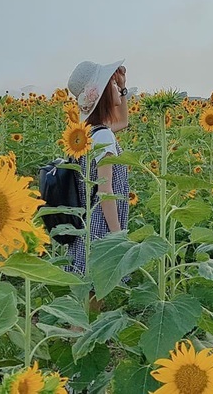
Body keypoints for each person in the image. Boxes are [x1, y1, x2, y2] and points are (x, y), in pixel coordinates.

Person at [65, 59, 131, 277]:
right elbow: (105, 191)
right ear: (101, 95)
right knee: (96, 286)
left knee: (84, 283)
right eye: (110, 85)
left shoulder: (89, 133)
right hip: (101, 224)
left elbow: (122, 122)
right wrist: (118, 236)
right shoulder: (103, 136)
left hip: (86, 221)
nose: (116, 89)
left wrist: (122, 86)